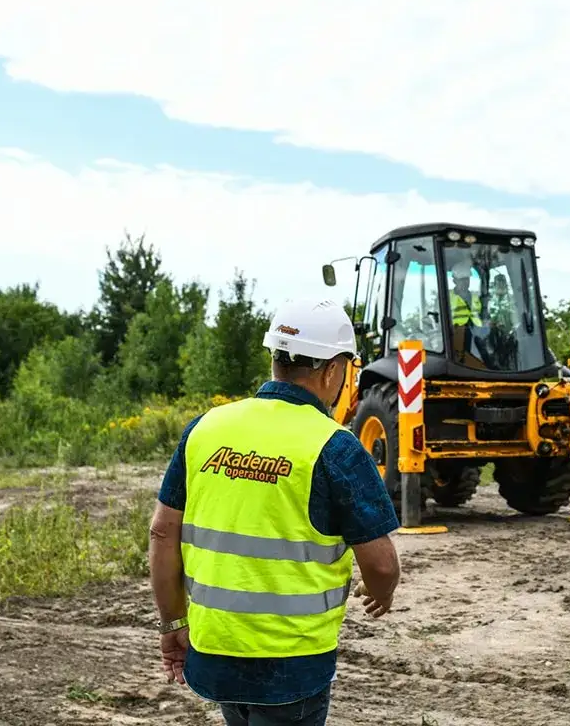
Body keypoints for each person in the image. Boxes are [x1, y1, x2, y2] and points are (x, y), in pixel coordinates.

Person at [147, 297, 401, 726]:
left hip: (216, 650)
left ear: (275, 359)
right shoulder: (334, 446)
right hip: (292, 663)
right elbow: (380, 564)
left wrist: (173, 620)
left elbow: (161, 533)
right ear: (333, 369)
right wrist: (384, 591)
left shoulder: (205, 428)